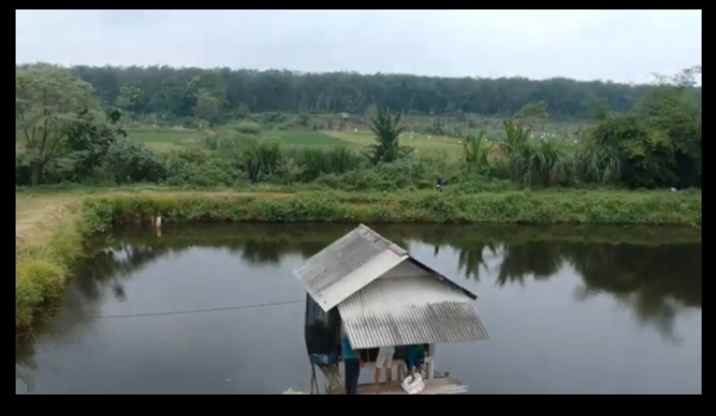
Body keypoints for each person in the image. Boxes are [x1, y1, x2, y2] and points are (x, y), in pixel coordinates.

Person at [341, 328, 361, 394]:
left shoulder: (343, 337)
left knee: (348, 377)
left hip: (347, 359)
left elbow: (343, 349)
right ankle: (353, 392)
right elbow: (355, 349)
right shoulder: (353, 337)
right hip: (354, 358)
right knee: (354, 377)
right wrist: (360, 358)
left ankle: (348, 392)